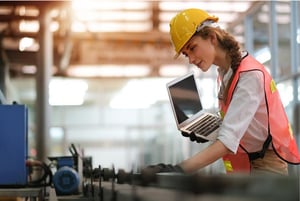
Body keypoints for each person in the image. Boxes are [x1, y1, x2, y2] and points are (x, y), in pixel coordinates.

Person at [143, 8, 300, 176]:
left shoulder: (249, 76)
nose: (192, 59)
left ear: (212, 38)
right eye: (186, 54)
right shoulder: (226, 72)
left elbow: (227, 141)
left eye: (193, 48)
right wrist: (212, 130)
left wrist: (179, 169)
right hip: (246, 162)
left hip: (266, 166)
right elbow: (242, 123)